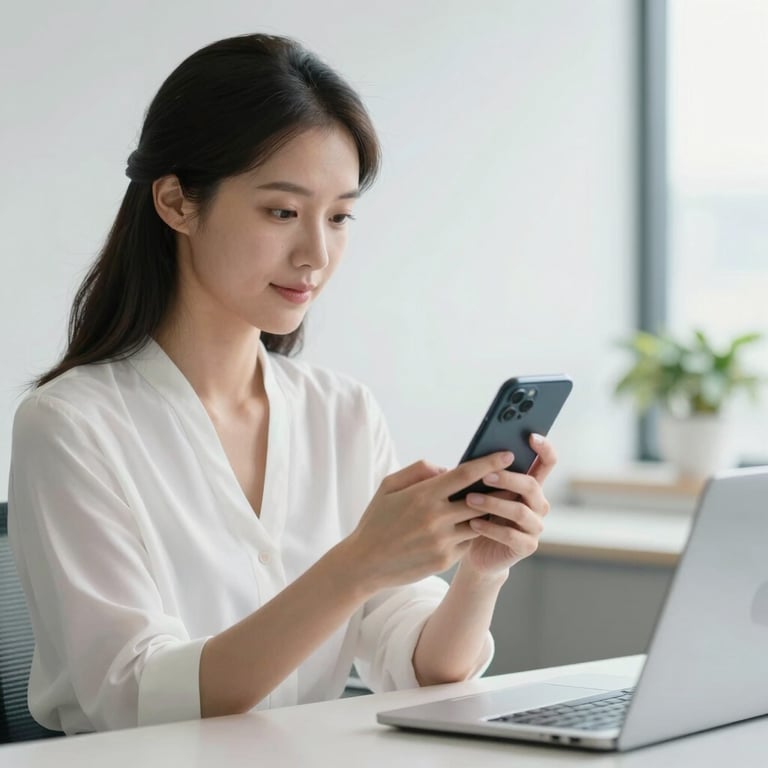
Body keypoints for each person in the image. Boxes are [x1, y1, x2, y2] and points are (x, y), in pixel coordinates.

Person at [7, 33, 557, 735]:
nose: (316, 255)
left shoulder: (342, 413)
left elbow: (420, 667)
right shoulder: (71, 426)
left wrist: (482, 570)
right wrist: (354, 566)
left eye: (338, 216)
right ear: (176, 202)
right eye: (281, 212)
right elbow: (132, 696)